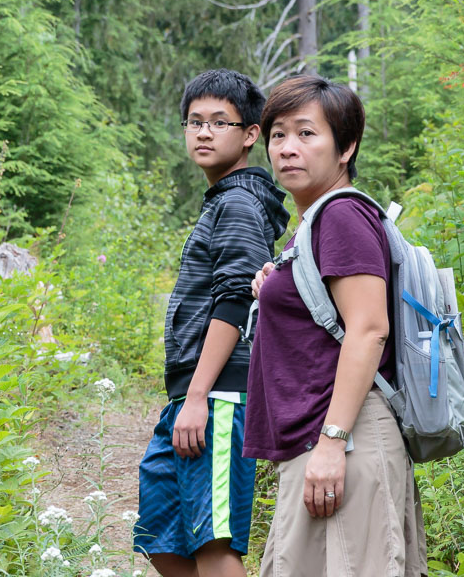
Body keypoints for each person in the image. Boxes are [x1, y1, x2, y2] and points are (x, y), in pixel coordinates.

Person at [244, 75, 427, 577]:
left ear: (346, 148)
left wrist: (332, 442)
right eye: (278, 135)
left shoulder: (341, 215)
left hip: (345, 436)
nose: (287, 148)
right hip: (327, 436)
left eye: (306, 133)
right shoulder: (313, 224)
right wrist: (276, 286)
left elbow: (369, 329)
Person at [134, 69, 290, 577]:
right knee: (162, 539)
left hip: (218, 394)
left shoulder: (239, 203)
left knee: (213, 543)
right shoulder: (222, 200)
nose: (203, 132)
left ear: (249, 134)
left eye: (220, 122)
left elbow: (236, 301)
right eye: (194, 121)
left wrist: (200, 396)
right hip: (193, 392)